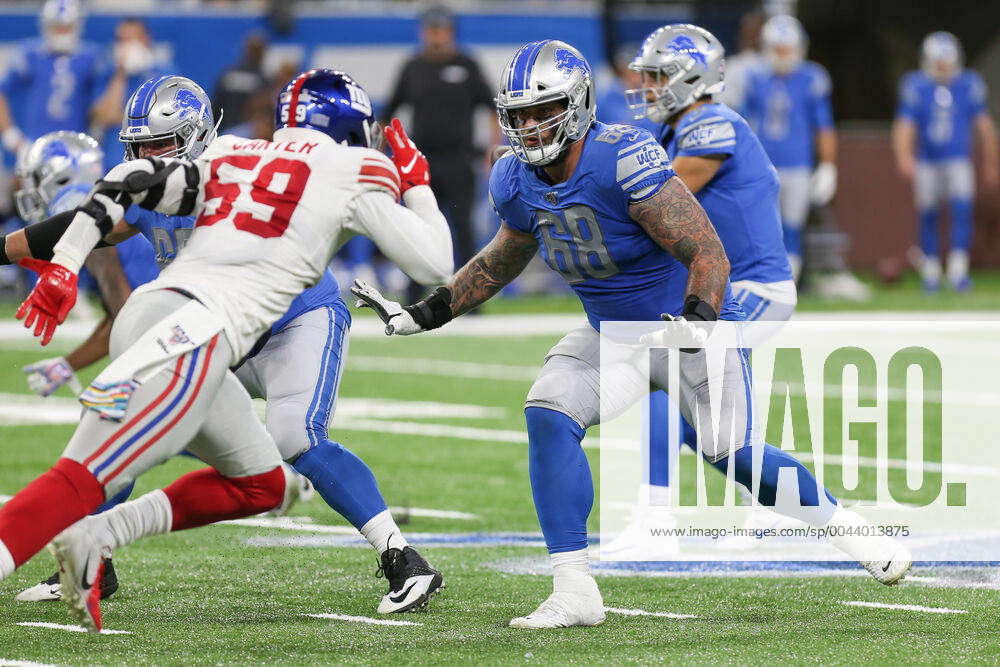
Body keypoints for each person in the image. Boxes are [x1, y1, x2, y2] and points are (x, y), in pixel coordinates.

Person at [353, 39, 912, 630]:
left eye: (545, 110)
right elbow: (503, 257)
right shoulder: (514, 176)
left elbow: (708, 251)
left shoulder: (620, 156)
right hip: (612, 336)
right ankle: (574, 589)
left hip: (685, 326)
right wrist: (427, 311)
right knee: (547, 411)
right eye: (520, 113)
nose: (531, 125)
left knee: (733, 454)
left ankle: (852, 532)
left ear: (579, 104)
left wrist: (696, 324)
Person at [0, 68, 452, 632]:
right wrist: (22, 253)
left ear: (193, 135)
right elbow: (91, 216)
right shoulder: (187, 174)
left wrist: (409, 189)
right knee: (132, 412)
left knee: (293, 436)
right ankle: (96, 553)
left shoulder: (240, 165)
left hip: (295, 318)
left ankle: (401, 557)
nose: (148, 155)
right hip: (214, 329)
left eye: (159, 144)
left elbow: (422, 257)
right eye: (139, 147)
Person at [606, 24, 795, 559]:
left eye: (657, 75)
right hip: (724, 288)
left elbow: (660, 198)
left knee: (670, 371)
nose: (646, 84)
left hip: (756, 287)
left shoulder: (713, 123)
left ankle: (654, 516)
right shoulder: (676, 130)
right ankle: (776, 505)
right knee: (706, 432)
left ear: (692, 78)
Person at [383, 4, 494, 299]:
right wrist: (379, 153)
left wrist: (493, 149)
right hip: (423, 162)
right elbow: (389, 113)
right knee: (417, 228)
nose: (436, 35)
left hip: (460, 159)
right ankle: (412, 297)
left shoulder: (467, 65)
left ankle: (472, 297)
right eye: (431, 29)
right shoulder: (413, 66)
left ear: (451, 31)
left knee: (464, 231)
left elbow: (493, 108)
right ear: (423, 32)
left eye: (441, 29)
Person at [892, 31, 999, 292]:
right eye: (938, 62)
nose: (943, 67)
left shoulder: (968, 84)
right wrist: (904, 156)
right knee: (928, 214)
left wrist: (991, 162)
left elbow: (984, 125)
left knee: (962, 212)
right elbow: (905, 125)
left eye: (946, 62)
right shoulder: (916, 84)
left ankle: (957, 271)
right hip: (927, 160)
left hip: (958, 160)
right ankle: (930, 272)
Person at [742, 14, 835, 282]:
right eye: (777, 48)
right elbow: (743, 125)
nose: (783, 54)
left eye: (787, 48)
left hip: (798, 163)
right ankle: (767, 280)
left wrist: (828, 165)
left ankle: (790, 282)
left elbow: (824, 125)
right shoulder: (754, 76)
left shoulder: (811, 77)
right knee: (764, 227)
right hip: (763, 164)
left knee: (793, 224)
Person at [0, 0, 107, 158]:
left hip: (77, 144)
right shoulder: (30, 54)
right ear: (45, 26)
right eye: (57, 27)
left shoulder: (91, 57)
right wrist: (11, 133)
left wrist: (96, 132)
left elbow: (102, 104)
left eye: (67, 27)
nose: (62, 33)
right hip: (34, 144)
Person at [90, 18, 171, 172]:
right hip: (112, 162)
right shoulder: (107, 72)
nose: (125, 46)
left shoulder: (164, 72)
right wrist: (121, 74)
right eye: (121, 40)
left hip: (151, 161)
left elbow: (161, 120)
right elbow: (106, 117)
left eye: (131, 39)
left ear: (145, 39)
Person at [213, 32, 269, 134]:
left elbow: (215, 105)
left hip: (225, 130)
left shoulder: (228, 74)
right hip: (245, 133)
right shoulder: (262, 78)